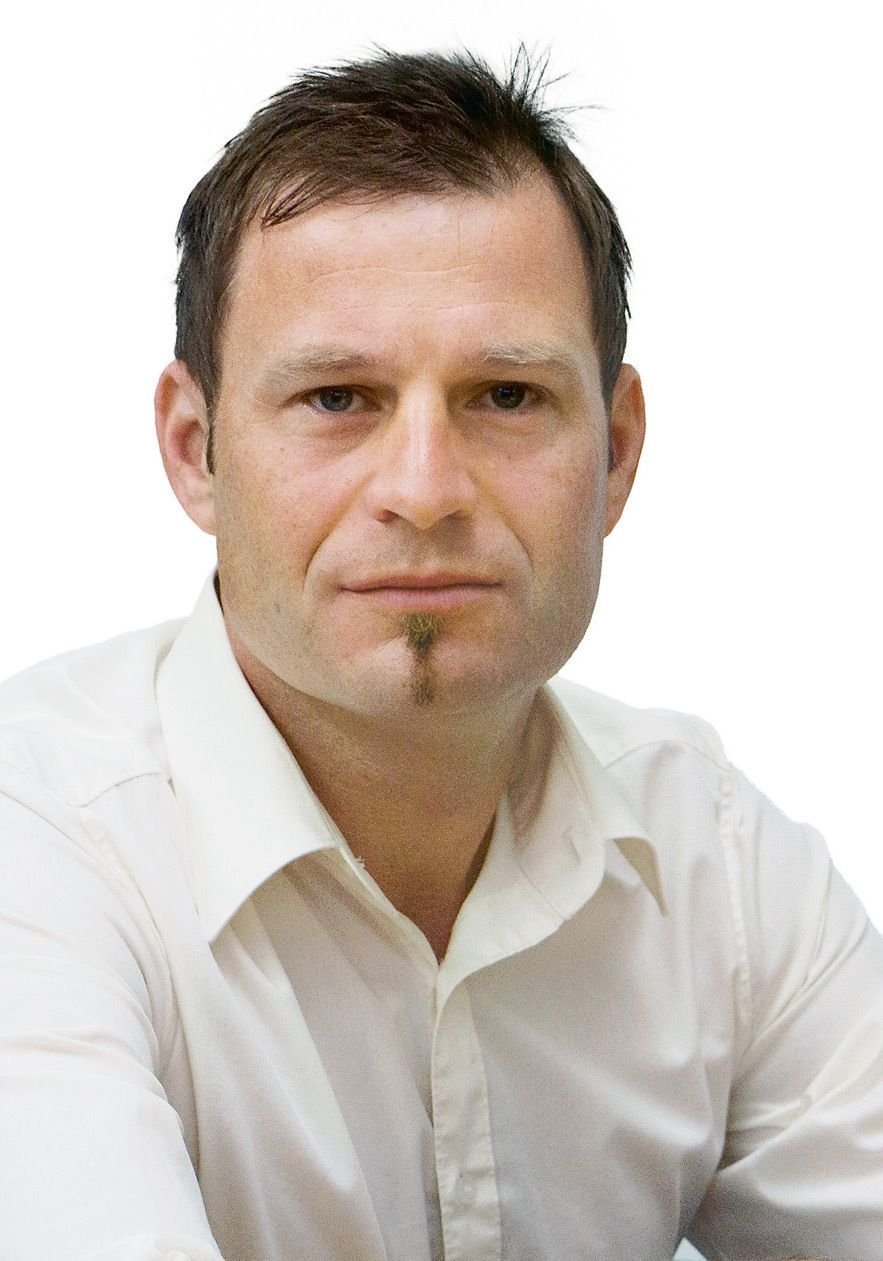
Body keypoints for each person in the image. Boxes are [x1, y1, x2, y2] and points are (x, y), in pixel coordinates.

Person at [0, 46, 880, 1261]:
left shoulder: (722, 864)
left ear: (616, 453)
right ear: (195, 449)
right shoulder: (38, 843)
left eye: (506, 396)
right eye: (336, 398)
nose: (422, 490)